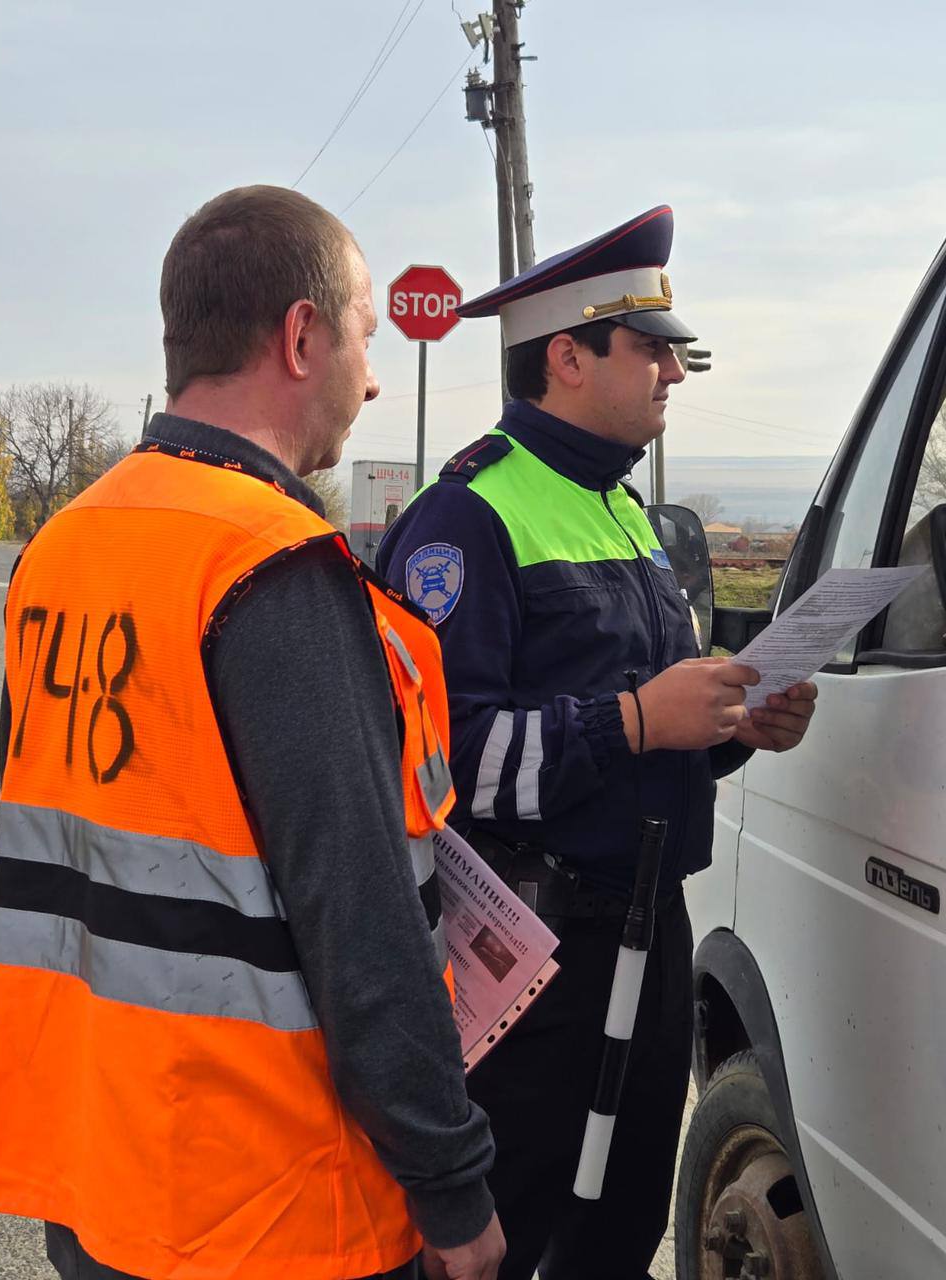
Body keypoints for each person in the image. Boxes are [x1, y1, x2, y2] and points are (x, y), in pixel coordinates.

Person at [0, 185, 505, 1280]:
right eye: (365, 336)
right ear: (302, 334)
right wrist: (453, 1190)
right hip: (269, 1211)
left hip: (102, 1183)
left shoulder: (61, 551)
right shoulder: (272, 567)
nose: (372, 377)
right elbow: (363, 924)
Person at [377, 205, 817, 1280]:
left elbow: (660, 724)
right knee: (507, 1233)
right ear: (565, 356)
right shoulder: (464, 518)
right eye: (654, 349)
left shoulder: (632, 514)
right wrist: (634, 719)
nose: (677, 372)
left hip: (650, 925)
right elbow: (438, 761)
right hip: (532, 956)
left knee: (619, 1230)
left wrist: (730, 726)